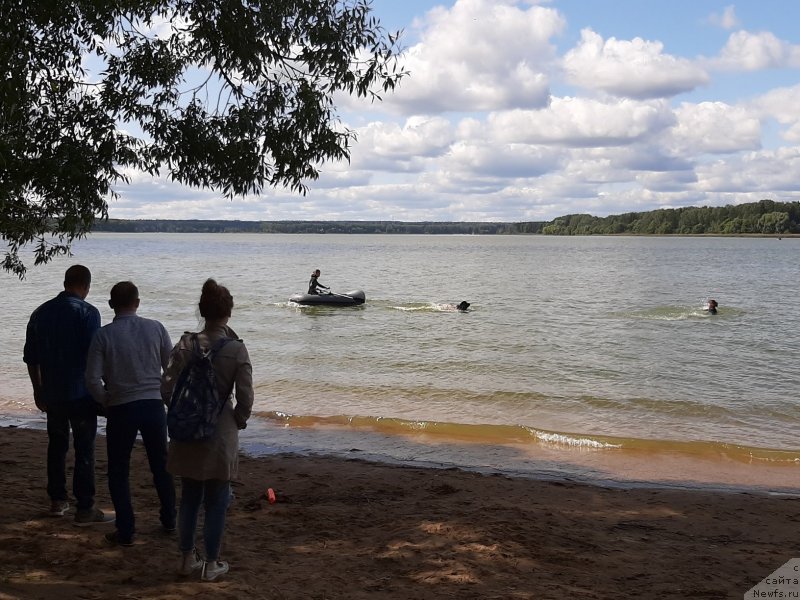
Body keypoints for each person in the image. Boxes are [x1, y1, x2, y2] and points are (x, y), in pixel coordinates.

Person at [162, 279, 253, 581]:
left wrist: (181, 412)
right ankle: (212, 563)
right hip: (220, 431)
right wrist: (238, 419)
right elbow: (246, 397)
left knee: (189, 496)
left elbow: (166, 387)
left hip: (187, 430)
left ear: (202, 311)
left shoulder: (186, 344)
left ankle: (186, 559)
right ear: (228, 313)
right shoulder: (236, 350)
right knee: (217, 499)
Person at [85, 281, 176, 546]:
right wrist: (165, 395)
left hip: (121, 406)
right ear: (137, 303)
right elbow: (170, 369)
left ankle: (126, 529)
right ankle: (169, 519)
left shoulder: (103, 335)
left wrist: (105, 400)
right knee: (161, 465)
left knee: (118, 469)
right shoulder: (155, 328)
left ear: (111, 304)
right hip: (151, 404)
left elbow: (91, 379)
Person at [23, 264, 112, 525]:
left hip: (53, 392)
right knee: (84, 448)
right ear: (86, 285)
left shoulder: (40, 313)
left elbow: (31, 358)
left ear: (65, 283)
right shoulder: (88, 313)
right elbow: (94, 356)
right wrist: (107, 389)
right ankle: (84, 507)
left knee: (57, 445)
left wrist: (37, 390)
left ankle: (57, 500)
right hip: (81, 393)